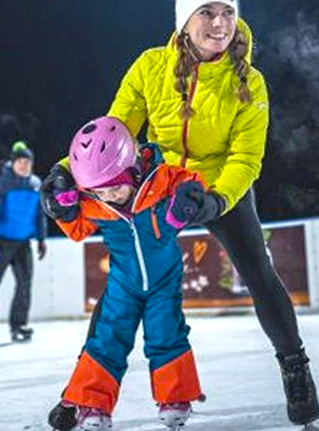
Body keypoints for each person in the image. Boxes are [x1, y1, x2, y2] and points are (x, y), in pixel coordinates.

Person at [42, 0, 319, 426]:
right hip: (158, 184)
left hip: (215, 189)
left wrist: (215, 200)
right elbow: (116, 131)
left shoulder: (249, 81)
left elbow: (246, 157)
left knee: (258, 271)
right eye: (207, 12)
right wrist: (65, 172)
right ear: (184, 22)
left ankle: (295, 366)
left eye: (227, 12)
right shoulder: (151, 67)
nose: (219, 23)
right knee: (124, 287)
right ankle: (82, 394)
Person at [47, 117, 221, 431]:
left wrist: (190, 195)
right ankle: (92, 404)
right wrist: (61, 206)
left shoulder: (160, 180)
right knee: (108, 339)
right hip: (122, 283)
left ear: (131, 168)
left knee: (166, 333)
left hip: (164, 281)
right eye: (99, 191)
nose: (109, 196)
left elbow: (189, 179)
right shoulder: (97, 202)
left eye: (115, 186)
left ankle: (175, 397)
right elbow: (75, 230)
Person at [0, 141, 47, 342]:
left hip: (23, 244)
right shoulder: (1, 184)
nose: (24, 165)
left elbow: (40, 215)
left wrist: (41, 239)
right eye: (20, 161)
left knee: (24, 284)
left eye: (27, 162)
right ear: (12, 163)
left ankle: (18, 325)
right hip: (1, 242)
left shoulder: (35, 184)